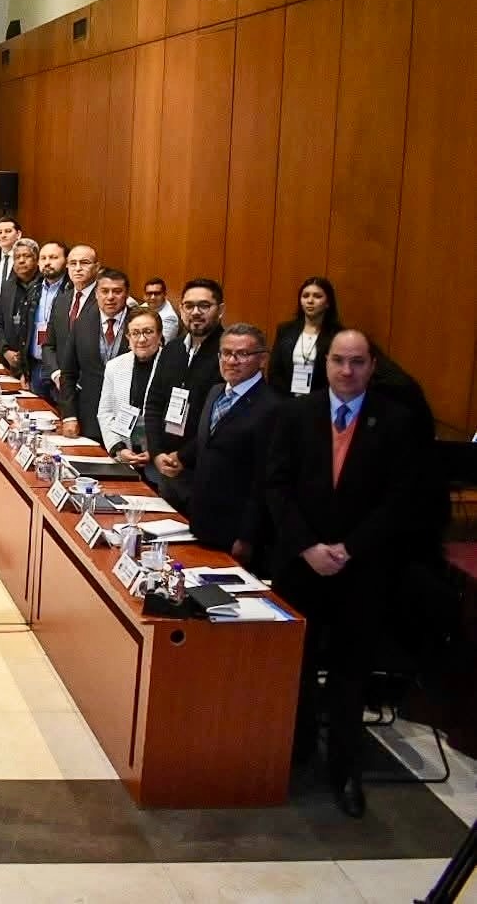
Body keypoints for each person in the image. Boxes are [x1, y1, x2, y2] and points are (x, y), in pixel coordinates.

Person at [266, 329, 422, 818]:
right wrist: (309, 546)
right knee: (297, 667)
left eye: (357, 362)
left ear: (372, 365)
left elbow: (400, 499)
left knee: (350, 675)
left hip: (362, 571)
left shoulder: (397, 422)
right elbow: (276, 486)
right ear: (325, 363)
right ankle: (294, 754)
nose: (347, 370)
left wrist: (349, 549)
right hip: (301, 564)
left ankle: (344, 772)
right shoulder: (296, 414)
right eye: (338, 360)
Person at [157, 322, 281, 567]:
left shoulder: (273, 408)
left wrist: (247, 536)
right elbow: (210, 439)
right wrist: (180, 458)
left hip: (236, 532)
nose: (232, 361)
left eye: (242, 354)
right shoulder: (216, 392)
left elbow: (264, 481)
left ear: (263, 359)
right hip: (201, 520)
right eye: (226, 353)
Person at [143, 278, 225, 511]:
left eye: (204, 306)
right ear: (181, 309)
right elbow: (154, 403)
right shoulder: (172, 349)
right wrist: (157, 452)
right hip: (166, 466)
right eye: (189, 306)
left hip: (204, 471)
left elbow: (221, 421)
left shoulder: (227, 354)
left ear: (220, 310)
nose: (195, 312)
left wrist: (183, 457)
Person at [59, 268, 132, 442]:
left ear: (127, 294)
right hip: (89, 417)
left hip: (128, 420)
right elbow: (68, 373)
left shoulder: (139, 324)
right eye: (105, 291)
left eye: (117, 291)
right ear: (96, 294)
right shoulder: (81, 323)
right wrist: (69, 415)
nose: (110, 297)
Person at [97, 307, 165, 470]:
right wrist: (119, 449)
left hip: (161, 458)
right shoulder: (114, 366)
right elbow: (105, 413)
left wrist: (155, 451)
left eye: (148, 332)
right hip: (125, 455)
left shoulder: (173, 365)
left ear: (159, 335)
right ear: (128, 337)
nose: (141, 339)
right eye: (135, 333)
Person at [269, 276, 341, 398]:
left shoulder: (338, 335)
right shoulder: (285, 330)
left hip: (320, 401)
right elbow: (274, 371)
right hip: (286, 400)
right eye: (305, 296)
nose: (310, 301)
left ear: (328, 303)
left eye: (317, 296)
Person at [44, 243, 98, 394]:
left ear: (97, 267)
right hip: (61, 386)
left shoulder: (104, 300)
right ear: (67, 267)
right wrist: (56, 374)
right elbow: (48, 345)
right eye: (73, 263)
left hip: (91, 388)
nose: (78, 268)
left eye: (84, 263)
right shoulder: (61, 299)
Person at [18, 241, 70, 398]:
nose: (47, 262)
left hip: (60, 370)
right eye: (43, 258)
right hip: (36, 365)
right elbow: (25, 330)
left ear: (66, 261)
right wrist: (24, 369)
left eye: (53, 257)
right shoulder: (34, 288)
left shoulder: (71, 290)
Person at [0, 238, 39, 368]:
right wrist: (5, 351)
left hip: (34, 362)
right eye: (17, 257)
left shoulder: (43, 286)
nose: (21, 260)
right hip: (9, 359)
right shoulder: (8, 286)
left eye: (26, 256)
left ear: (36, 259)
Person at [142, 277, 180, 343]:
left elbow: (162, 344)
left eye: (157, 293)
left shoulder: (170, 318)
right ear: (144, 295)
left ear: (164, 294)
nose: (152, 297)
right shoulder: (145, 306)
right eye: (149, 293)